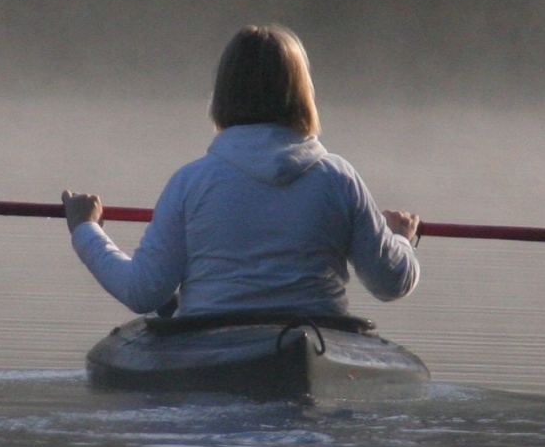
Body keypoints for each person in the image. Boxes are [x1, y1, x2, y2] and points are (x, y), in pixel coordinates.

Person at [62, 25, 420, 319]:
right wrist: (399, 239)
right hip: (315, 340)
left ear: (224, 94)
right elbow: (391, 282)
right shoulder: (339, 179)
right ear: (302, 94)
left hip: (208, 350)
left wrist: (86, 229)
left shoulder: (192, 182)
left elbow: (142, 292)